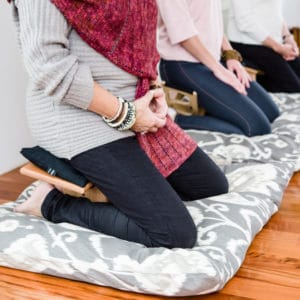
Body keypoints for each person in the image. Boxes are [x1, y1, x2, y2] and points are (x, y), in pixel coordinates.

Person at [9, 0, 228, 249]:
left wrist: (155, 91)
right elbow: (48, 67)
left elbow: (142, 43)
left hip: (134, 104)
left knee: (210, 184)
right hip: (76, 114)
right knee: (173, 233)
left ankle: (103, 187)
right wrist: (128, 116)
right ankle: (51, 201)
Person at [156, 0, 280, 136]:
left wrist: (231, 56)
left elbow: (212, 23)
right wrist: (220, 70)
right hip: (182, 64)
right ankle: (173, 119)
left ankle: (218, 107)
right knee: (257, 127)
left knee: (271, 113)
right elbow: (184, 35)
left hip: (212, 61)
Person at [227, 0, 300, 93]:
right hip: (247, 44)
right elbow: (244, 22)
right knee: (294, 88)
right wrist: (277, 47)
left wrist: (288, 38)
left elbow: (277, 13)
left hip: (275, 43)